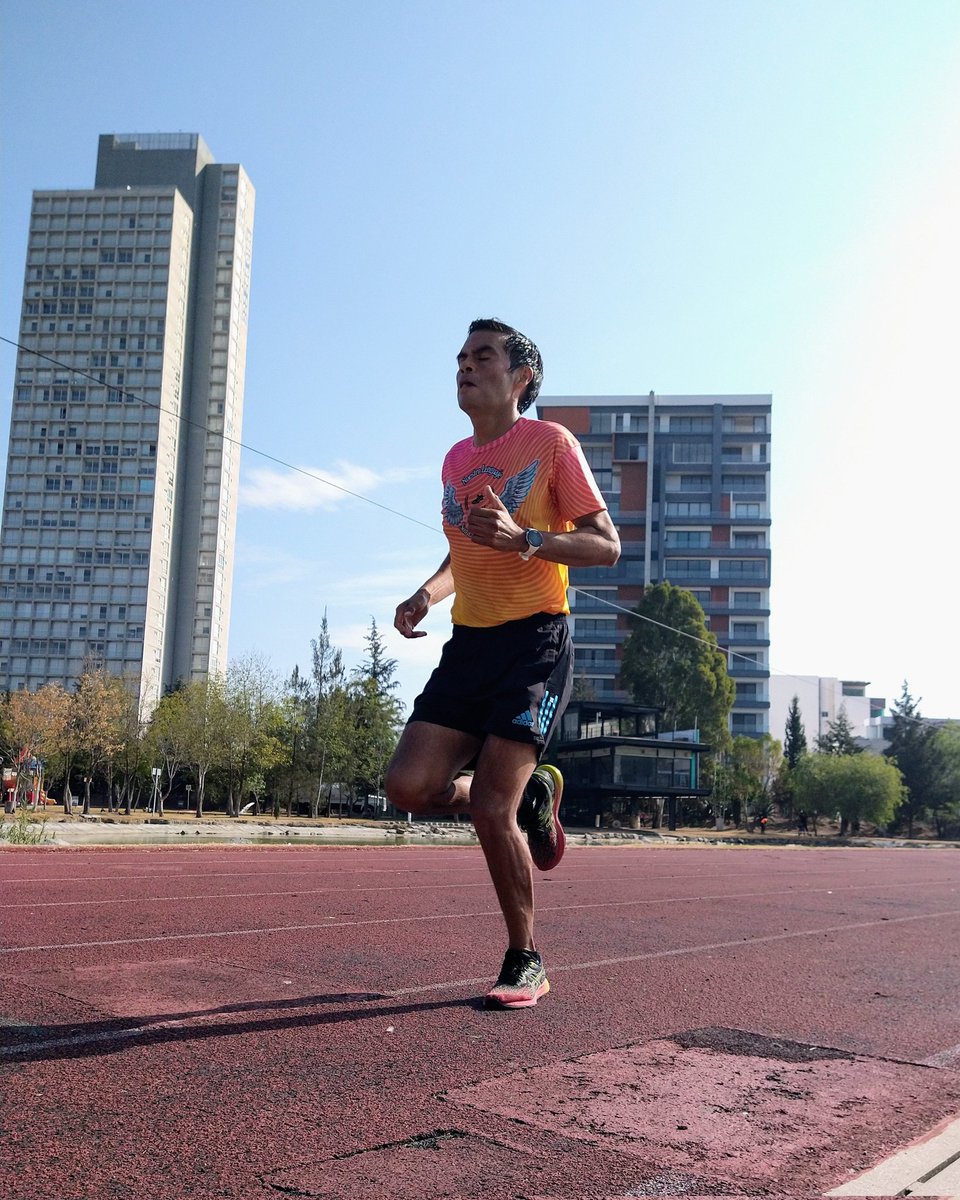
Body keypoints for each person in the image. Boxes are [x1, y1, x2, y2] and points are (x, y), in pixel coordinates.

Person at [385, 318, 620, 1009]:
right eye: (459, 357)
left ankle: (526, 957)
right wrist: (423, 596)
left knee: (491, 806)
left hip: (535, 642)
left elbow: (604, 545)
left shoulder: (549, 443)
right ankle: (534, 799)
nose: (465, 366)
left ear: (521, 378)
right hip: (470, 645)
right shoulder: (456, 460)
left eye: (482, 356)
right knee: (406, 786)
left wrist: (529, 540)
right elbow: (465, 553)